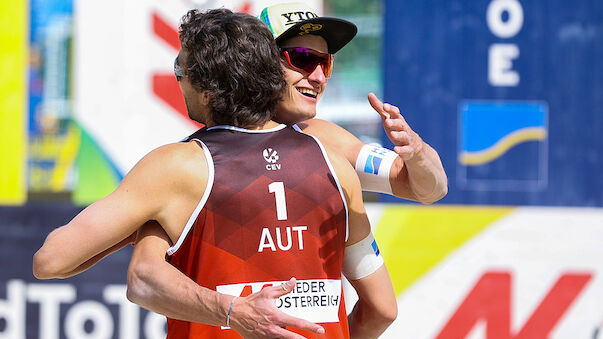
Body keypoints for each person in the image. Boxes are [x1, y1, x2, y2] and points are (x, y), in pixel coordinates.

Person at [34, 8, 396, 339]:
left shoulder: (178, 169)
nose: (178, 81)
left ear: (207, 91)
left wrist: (144, 226)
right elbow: (382, 310)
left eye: (181, 73)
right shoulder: (335, 165)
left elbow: (51, 260)